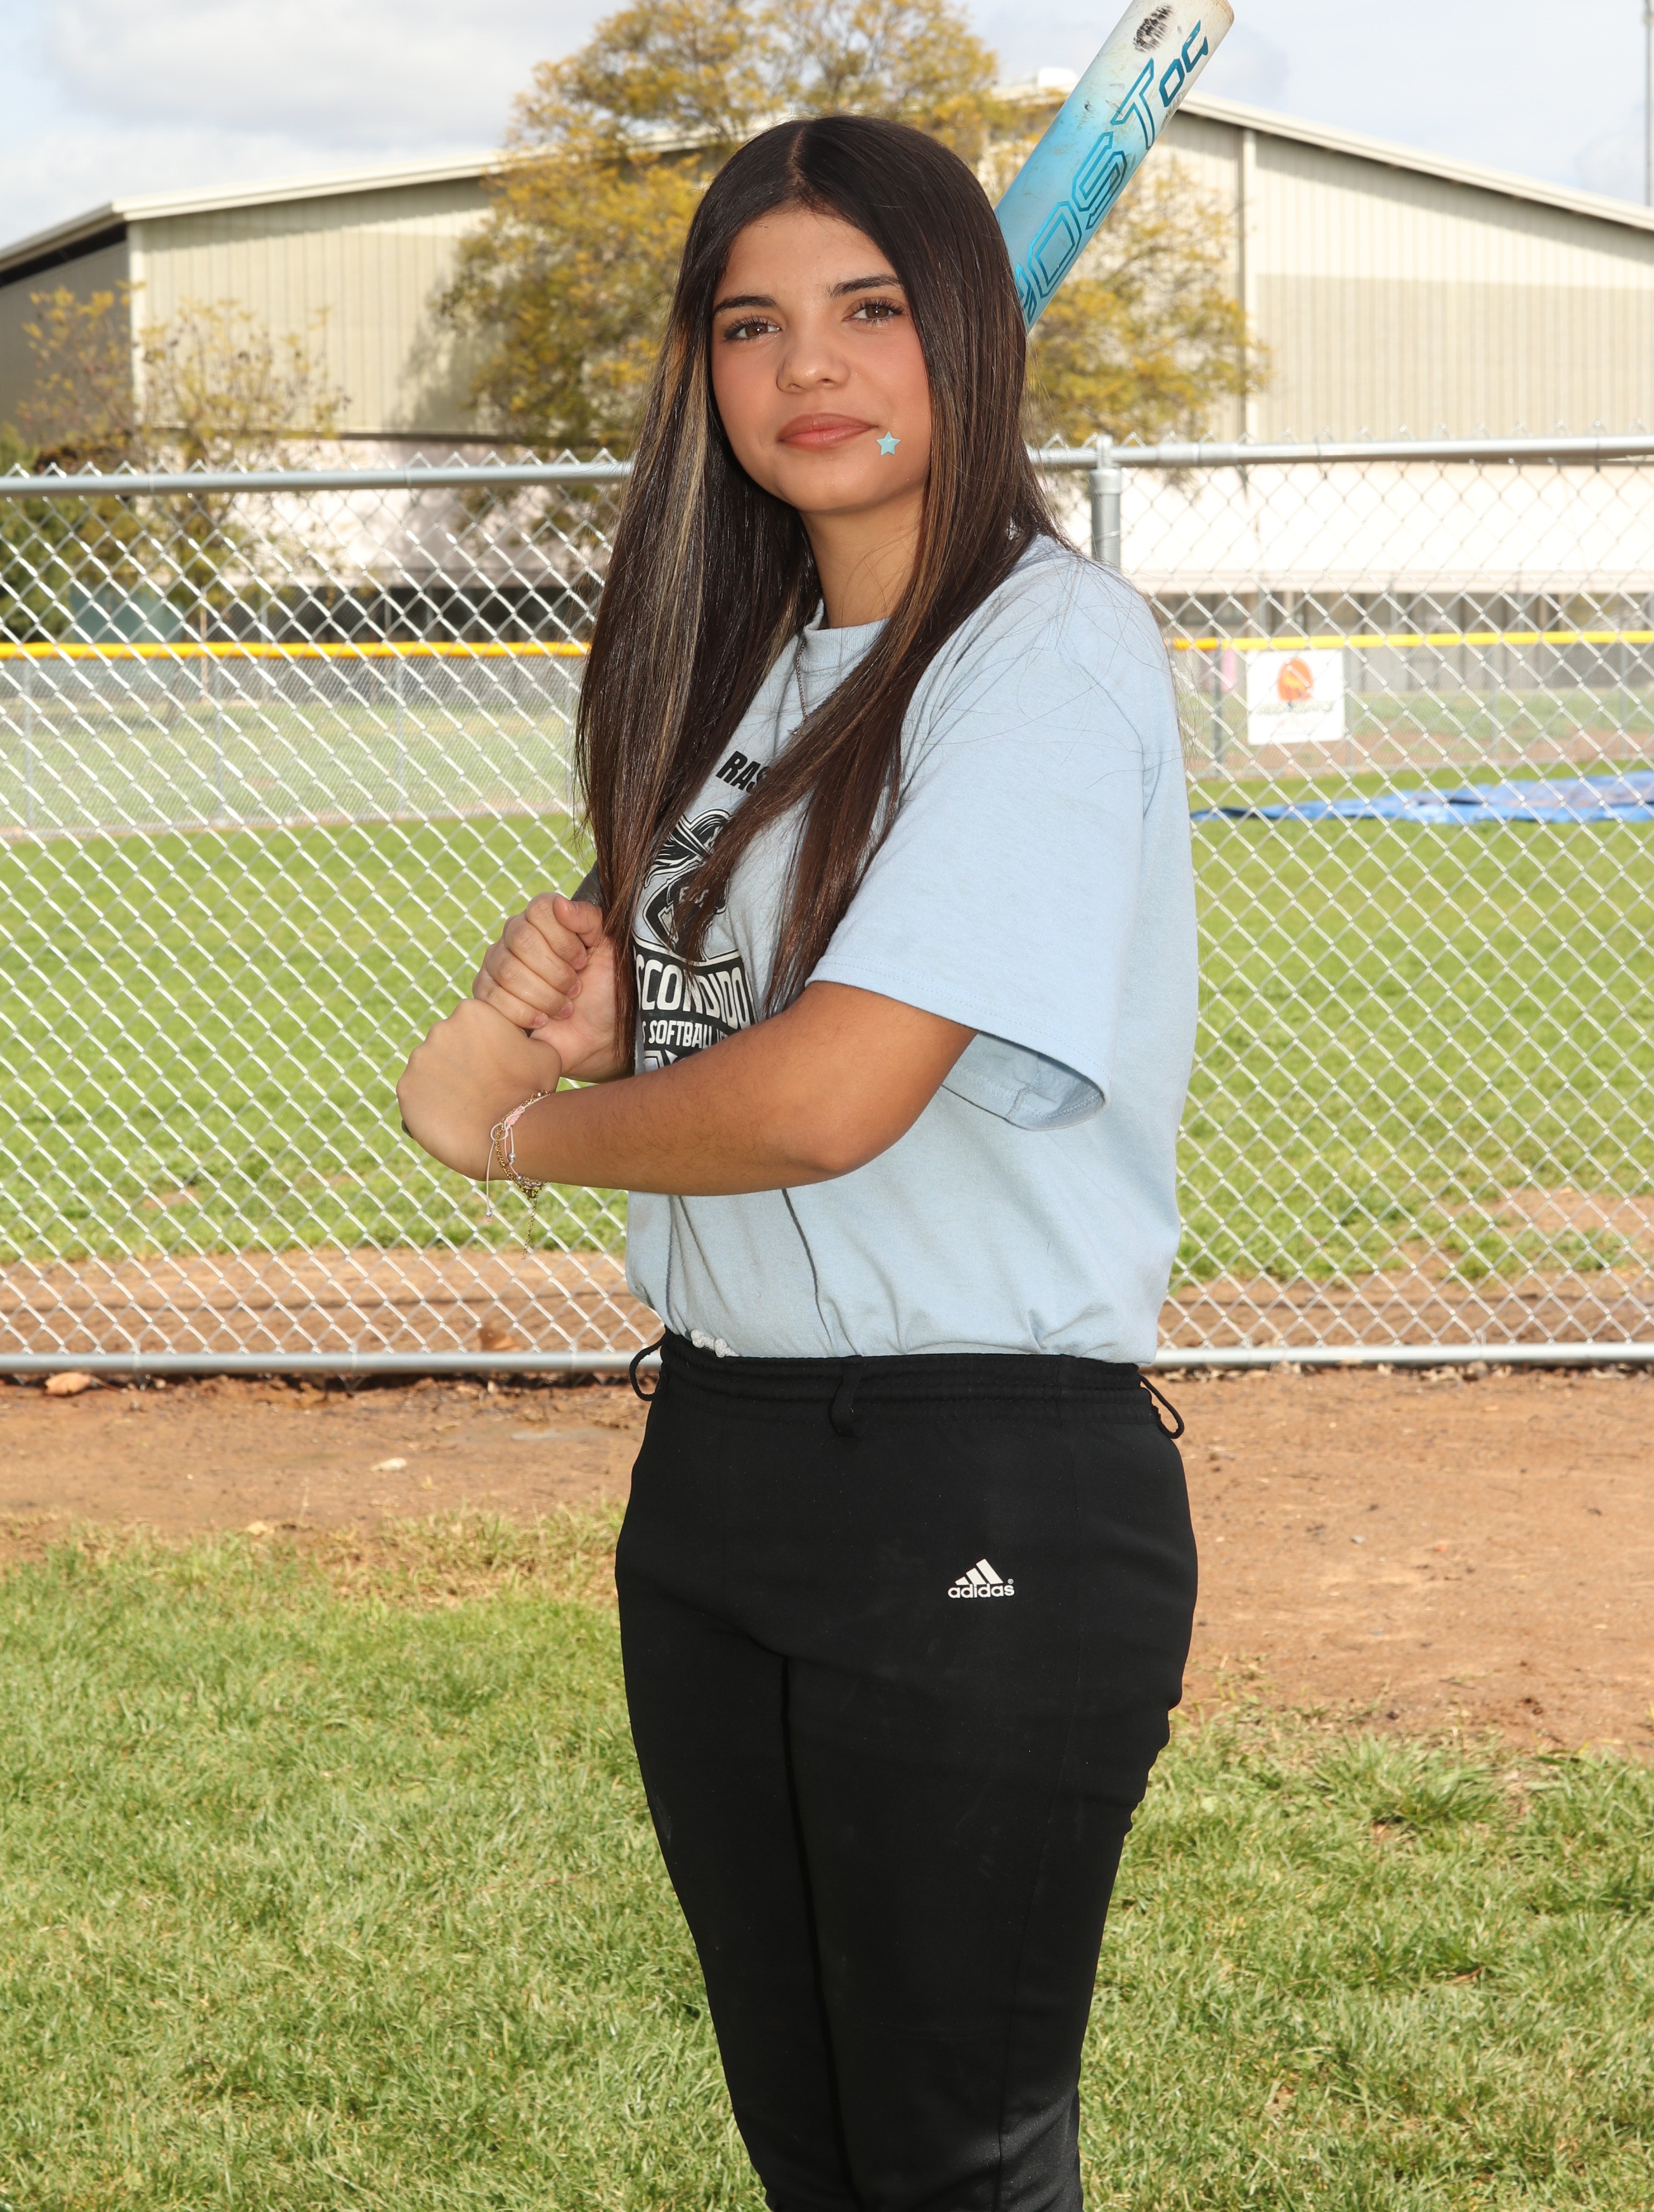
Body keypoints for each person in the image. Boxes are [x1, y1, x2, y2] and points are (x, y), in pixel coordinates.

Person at [397, 113, 1198, 2212]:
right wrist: (598, 1020)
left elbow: (831, 1097)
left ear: (969, 335)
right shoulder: (751, 676)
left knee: (950, 2164)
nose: (807, 366)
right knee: (818, 2155)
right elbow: (691, 1051)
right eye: (751, 324)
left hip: (976, 1475)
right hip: (721, 1468)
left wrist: (527, 1132)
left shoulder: (1045, 648)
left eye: (869, 308)